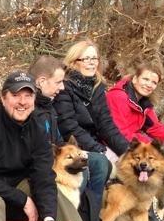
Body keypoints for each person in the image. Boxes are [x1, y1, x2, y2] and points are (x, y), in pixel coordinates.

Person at [31, 56, 133, 221]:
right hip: (43, 168)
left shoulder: (49, 104)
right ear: (42, 81)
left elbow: (66, 136)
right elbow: (61, 134)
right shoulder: (33, 107)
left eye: (95, 58)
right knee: (84, 172)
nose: (62, 87)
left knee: (96, 164)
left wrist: (96, 152)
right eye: (58, 82)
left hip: (66, 150)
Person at [105, 61, 164, 221]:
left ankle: (147, 213)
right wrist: (146, 143)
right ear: (135, 78)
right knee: (142, 167)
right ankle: (146, 214)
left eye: (154, 82)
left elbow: (155, 127)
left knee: (158, 165)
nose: (149, 84)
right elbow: (120, 130)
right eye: (145, 79)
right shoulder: (118, 96)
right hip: (109, 143)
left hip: (129, 144)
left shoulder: (143, 103)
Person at [53, 40, 129, 208]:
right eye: (86, 58)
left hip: (93, 142)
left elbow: (106, 124)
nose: (91, 63)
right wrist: (98, 149)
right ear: (74, 62)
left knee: (131, 163)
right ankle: (91, 213)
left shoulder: (97, 86)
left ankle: (136, 212)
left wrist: (128, 150)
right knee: (104, 164)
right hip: (72, 144)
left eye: (94, 58)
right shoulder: (64, 87)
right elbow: (68, 126)